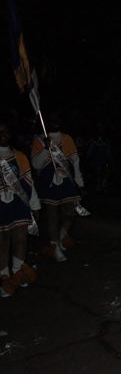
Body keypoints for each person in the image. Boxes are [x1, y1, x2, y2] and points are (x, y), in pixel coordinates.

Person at [31, 115, 86, 262]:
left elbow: (75, 162)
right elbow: (36, 165)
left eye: (57, 119)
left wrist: (80, 183)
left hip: (67, 182)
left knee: (69, 214)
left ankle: (61, 237)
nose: (55, 122)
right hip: (49, 184)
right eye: (52, 119)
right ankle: (54, 246)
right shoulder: (40, 140)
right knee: (53, 216)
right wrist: (45, 149)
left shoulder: (67, 139)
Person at [0, 119, 39, 298]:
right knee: (3, 241)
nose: (3, 133)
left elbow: (28, 182)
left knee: (21, 237)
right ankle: (4, 277)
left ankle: (18, 272)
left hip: (18, 204)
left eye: (6, 130)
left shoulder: (20, 157)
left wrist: (35, 205)